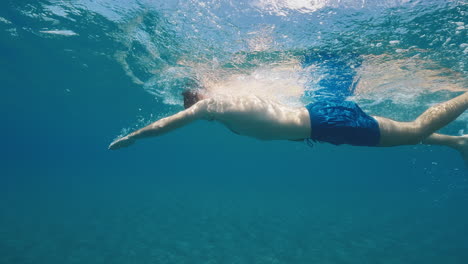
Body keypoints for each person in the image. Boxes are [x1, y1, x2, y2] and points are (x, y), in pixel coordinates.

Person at [108, 88, 468, 164]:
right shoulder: (229, 103)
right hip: (323, 120)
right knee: (400, 136)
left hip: (326, 123)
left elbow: (166, 125)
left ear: (197, 99)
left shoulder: (210, 107)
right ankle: (458, 143)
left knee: (415, 131)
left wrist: (133, 137)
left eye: (191, 104)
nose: (192, 109)